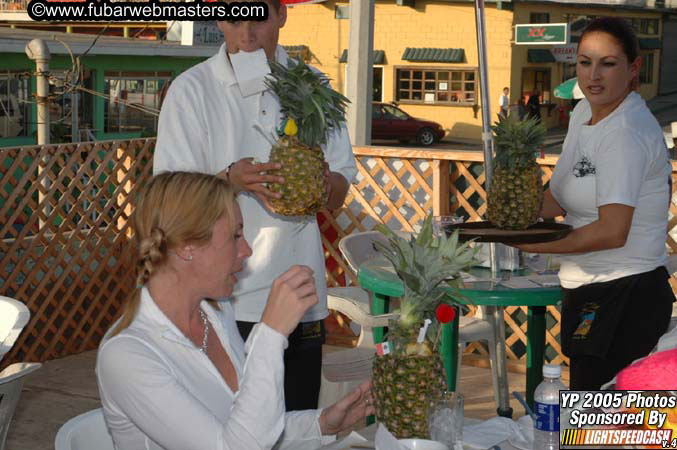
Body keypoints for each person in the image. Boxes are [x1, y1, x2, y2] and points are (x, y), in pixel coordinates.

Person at [153, 0, 357, 411]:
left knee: (298, 418)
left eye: (258, 17)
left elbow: (340, 185)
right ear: (218, 20)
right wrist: (229, 179)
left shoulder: (314, 85)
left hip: (300, 291)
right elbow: (167, 192)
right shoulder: (192, 89)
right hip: (223, 298)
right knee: (229, 422)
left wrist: (315, 181)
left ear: (281, 15)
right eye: (233, 18)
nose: (246, 32)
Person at [96, 172, 374, 450]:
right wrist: (271, 334)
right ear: (186, 247)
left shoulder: (217, 315)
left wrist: (322, 423)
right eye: (235, 235)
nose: (247, 250)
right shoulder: (127, 355)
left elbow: (249, 428)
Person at [514, 17, 674, 390]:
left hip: (626, 294)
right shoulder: (585, 113)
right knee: (591, 421)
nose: (593, 75)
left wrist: (534, 243)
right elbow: (557, 196)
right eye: (585, 62)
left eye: (608, 63)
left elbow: (612, 231)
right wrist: (506, 216)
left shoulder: (626, 131)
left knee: (601, 427)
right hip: (586, 288)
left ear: (634, 69)